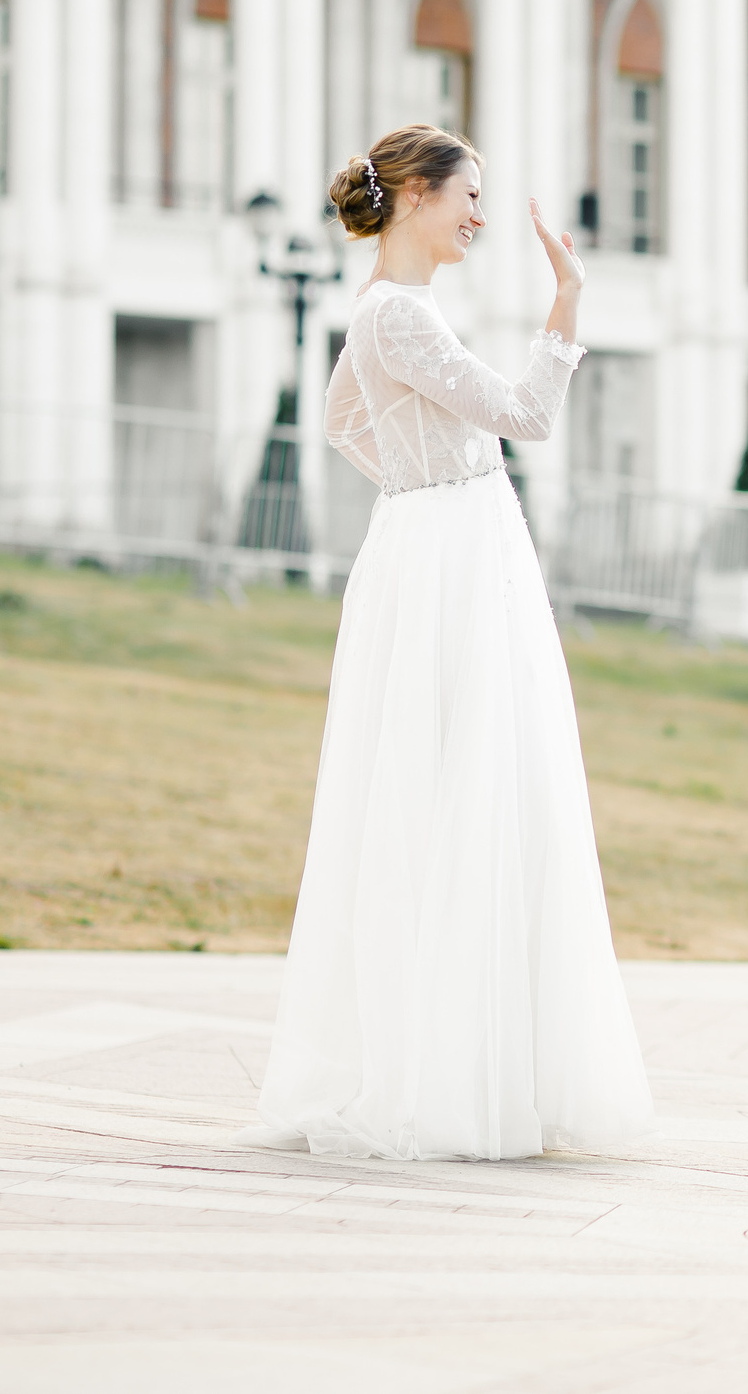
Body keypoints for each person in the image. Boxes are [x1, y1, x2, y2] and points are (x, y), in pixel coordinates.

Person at [254, 125, 653, 1161]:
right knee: (467, 784)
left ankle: (464, 1059)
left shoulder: (386, 315)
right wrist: (566, 303)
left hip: (440, 543)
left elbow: (344, 420)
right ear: (419, 195)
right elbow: (527, 415)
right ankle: (450, 1076)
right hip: (457, 551)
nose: (480, 214)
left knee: (452, 785)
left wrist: (413, 477)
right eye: (469, 194)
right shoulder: (401, 316)